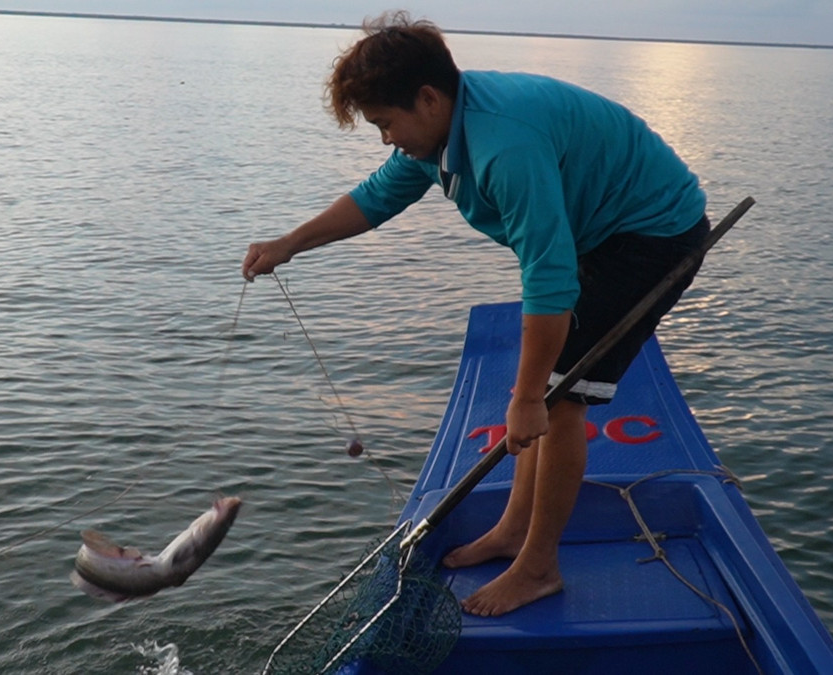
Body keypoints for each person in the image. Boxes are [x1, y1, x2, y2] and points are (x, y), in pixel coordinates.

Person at [240, 11, 709, 617]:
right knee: (543, 381)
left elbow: (548, 276)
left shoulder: (502, 146)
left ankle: (539, 568)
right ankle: (515, 529)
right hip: (599, 228)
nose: (386, 138)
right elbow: (379, 196)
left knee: (561, 397)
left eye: (385, 123)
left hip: (654, 233)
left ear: (428, 98)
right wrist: (289, 244)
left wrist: (526, 396)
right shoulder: (447, 124)